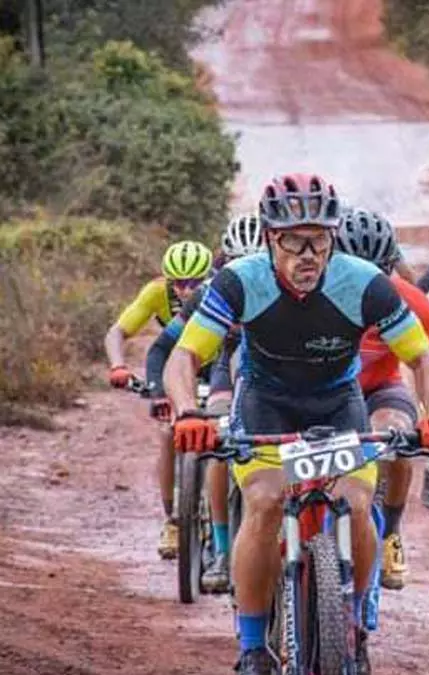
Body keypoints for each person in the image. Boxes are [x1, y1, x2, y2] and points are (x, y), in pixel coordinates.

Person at [164, 173, 429, 675]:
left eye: (321, 239)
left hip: (337, 402)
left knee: (356, 503)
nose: (309, 255)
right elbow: (183, 358)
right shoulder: (240, 281)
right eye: (295, 241)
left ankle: (349, 625)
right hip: (266, 401)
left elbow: (426, 361)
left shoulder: (365, 283)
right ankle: (251, 646)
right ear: (269, 238)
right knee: (264, 503)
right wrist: (188, 412)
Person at [333, 207, 429, 591]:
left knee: (396, 439)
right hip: (325, 395)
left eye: (379, 271)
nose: (366, 281)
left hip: (381, 389)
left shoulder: (405, 297)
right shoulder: (312, 295)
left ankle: (391, 532)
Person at [142, 213, 264, 591]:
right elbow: (166, 347)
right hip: (229, 367)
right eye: (236, 264)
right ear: (224, 261)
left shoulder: (296, 290)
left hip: (277, 372)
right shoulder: (209, 293)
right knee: (219, 434)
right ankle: (224, 550)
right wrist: (162, 393)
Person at [103, 239, 213, 559]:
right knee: (168, 433)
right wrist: (118, 366)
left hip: (215, 364)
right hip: (177, 368)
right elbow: (118, 332)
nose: (185, 290)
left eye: (194, 283)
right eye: (177, 283)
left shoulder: (221, 292)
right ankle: (173, 521)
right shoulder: (156, 293)